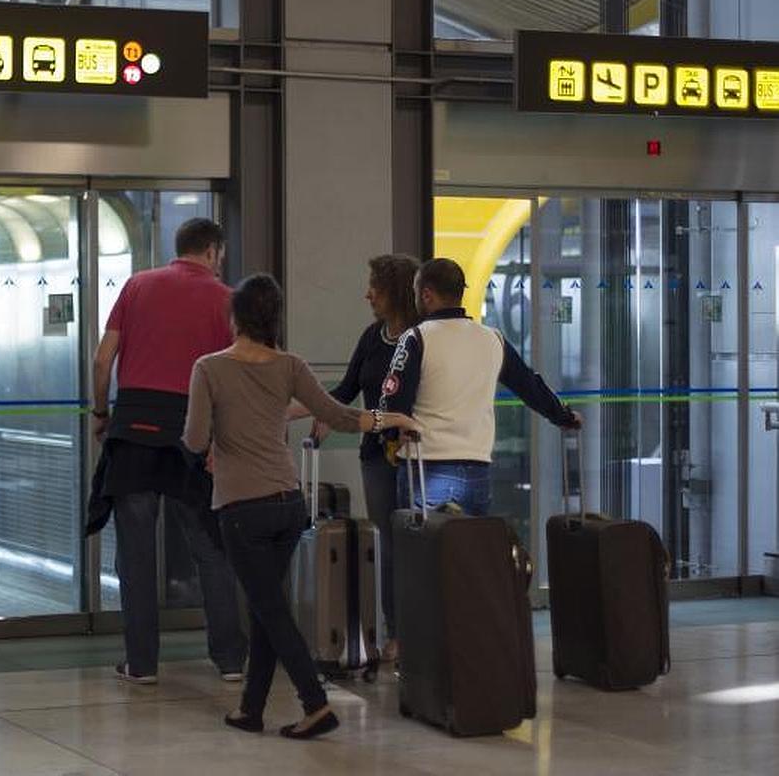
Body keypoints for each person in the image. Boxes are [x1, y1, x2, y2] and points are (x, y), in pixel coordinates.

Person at [183, 274, 420, 740]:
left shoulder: (209, 368)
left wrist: (214, 439)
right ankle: (251, 710)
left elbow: (193, 439)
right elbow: (340, 416)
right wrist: (390, 417)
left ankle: (314, 703)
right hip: (289, 503)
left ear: (235, 319)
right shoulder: (290, 364)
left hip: (241, 507)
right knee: (265, 605)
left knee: (269, 608)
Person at [88, 218, 247, 685]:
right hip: (190, 431)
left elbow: (102, 360)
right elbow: (233, 375)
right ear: (214, 252)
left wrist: (102, 412)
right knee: (209, 549)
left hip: (133, 427)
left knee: (135, 556)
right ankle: (230, 660)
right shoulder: (227, 299)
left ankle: (141, 665)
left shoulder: (137, 286)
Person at [382, 258, 581, 517]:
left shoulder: (416, 337)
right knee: (471, 552)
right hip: (476, 471)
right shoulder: (492, 339)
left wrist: (390, 439)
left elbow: (393, 399)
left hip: (426, 467)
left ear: (427, 294)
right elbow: (529, 385)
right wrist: (564, 416)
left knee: (423, 554)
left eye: (416, 292)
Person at [307, 254, 420, 665]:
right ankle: (397, 632)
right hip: (377, 455)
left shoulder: (423, 337)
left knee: (418, 543)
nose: (368, 294)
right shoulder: (373, 336)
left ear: (397, 292)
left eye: (376, 286)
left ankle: (427, 627)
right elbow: (348, 387)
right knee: (389, 544)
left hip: (418, 455)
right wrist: (322, 414)